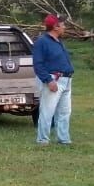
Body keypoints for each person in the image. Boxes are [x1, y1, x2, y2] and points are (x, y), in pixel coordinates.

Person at [32, 13, 74, 145]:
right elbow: (38, 64)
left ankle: (63, 139)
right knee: (47, 111)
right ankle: (42, 139)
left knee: (64, 111)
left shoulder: (58, 41)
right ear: (56, 27)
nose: (64, 27)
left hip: (66, 79)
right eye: (63, 24)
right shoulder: (42, 42)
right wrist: (48, 80)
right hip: (54, 79)